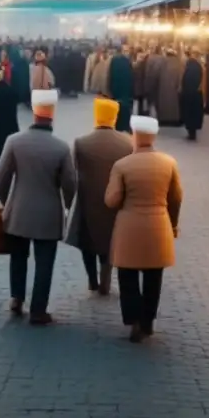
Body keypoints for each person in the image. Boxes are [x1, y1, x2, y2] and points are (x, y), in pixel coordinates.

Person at [0, 89, 76, 325]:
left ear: (33, 112)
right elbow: (69, 184)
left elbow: (1, 177)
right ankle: (38, 310)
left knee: (18, 256)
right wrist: (70, 207)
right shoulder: (61, 148)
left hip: (19, 211)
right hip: (49, 215)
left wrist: (6, 203)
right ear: (52, 115)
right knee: (44, 262)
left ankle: (16, 298)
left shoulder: (14, 141)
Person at [106, 115, 182, 343]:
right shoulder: (169, 163)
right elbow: (177, 197)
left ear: (135, 136)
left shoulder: (122, 165)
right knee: (153, 275)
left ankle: (133, 320)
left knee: (127, 274)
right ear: (154, 136)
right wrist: (174, 224)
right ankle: (148, 320)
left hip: (129, 227)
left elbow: (112, 200)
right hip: (158, 225)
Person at [64, 98, 132, 295]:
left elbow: (72, 172)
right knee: (109, 239)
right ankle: (105, 278)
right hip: (114, 201)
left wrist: (69, 202)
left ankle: (92, 280)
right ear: (114, 116)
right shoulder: (126, 144)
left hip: (87, 200)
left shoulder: (81, 143)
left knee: (87, 242)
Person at [107, 47, 135, 133]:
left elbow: (110, 75)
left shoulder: (113, 61)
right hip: (125, 88)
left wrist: (109, 88)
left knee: (117, 106)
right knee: (126, 107)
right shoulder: (128, 61)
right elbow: (131, 76)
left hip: (116, 87)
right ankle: (126, 125)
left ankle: (117, 125)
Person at [179, 49, 204, 141]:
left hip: (190, 94)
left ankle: (191, 133)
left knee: (190, 113)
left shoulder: (191, 66)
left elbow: (187, 80)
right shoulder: (197, 66)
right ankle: (192, 132)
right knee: (194, 114)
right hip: (196, 94)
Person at [155, 49, 183, 127]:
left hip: (162, 88)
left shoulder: (161, 62)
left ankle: (163, 120)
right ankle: (174, 119)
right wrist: (179, 87)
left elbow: (156, 74)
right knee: (174, 105)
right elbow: (181, 76)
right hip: (174, 88)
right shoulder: (178, 63)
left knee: (164, 103)